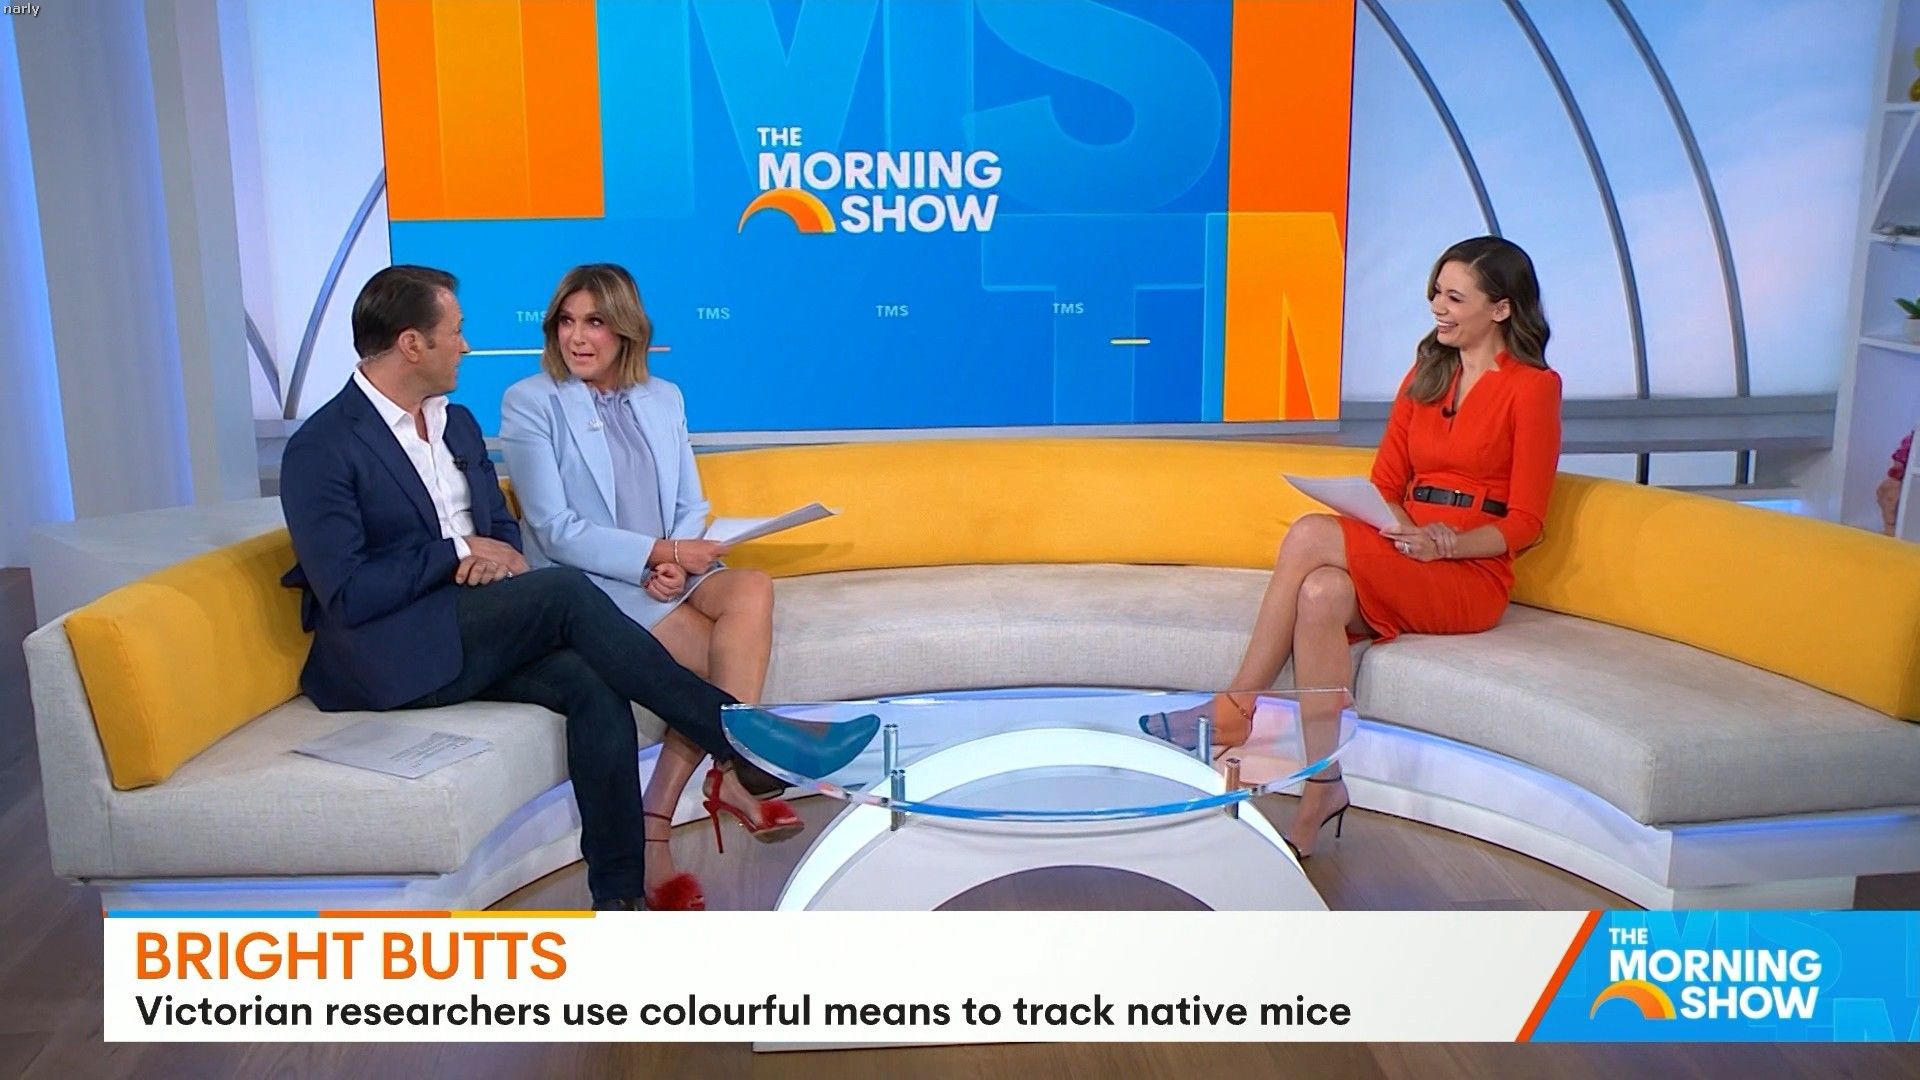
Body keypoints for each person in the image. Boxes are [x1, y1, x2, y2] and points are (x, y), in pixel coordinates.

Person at [280, 265, 862, 911]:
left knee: (594, 686)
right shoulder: (323, 446)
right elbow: (348, 591)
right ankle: (744, 743)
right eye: (457, 331)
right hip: (392, 652)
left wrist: (496, 558)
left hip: (472, 622)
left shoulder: (455, 423)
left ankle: (619, 899)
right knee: (562, 592)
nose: (467, 345)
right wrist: (457, 553)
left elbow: (500, 527)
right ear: (413, 344)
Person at [1140, 236, 1562, 860]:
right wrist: (1403, 534)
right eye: (1435, 294)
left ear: (1501, 309)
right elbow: (1387, 483)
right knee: (1320, 594)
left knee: (1310, 533)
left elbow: (1526, 522)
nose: (1437, 308)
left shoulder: (1533, 388)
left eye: (1454, 298)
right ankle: (1324, 785)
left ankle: (1235, 707)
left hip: (1469, 573)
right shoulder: (1426, 376)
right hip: (1407, 549)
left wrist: (1445, 546)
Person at [498, 263, 787, 912]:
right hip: (589, 584)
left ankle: (685, 797)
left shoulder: (664, 397)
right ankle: (701, 792)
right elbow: (555, 529)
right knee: (716, 660)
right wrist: (658, 555)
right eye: (567, 322)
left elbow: (690, 502)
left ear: (626, 330)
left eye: (595, 323)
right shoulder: (530, 402)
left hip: (664, 568)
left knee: (751, 588)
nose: (577, 337)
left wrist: (676, 559)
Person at [1877, 430, 1911, 536]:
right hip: (1901, 477)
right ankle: (1890, 528)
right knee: (1884, 492)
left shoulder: (1911, 439)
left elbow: (1899, 465)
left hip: (1901, 478)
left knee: (1888, 497)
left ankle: (1890, 529)